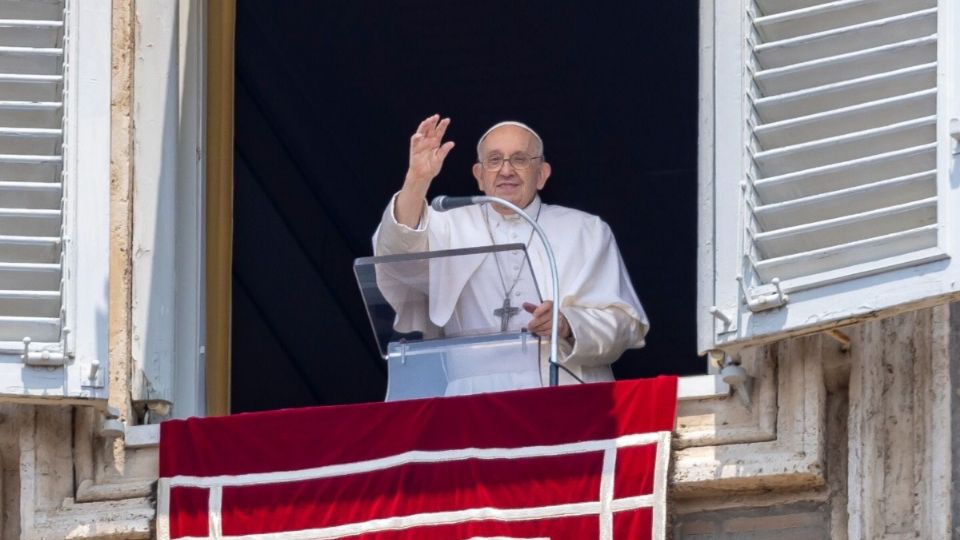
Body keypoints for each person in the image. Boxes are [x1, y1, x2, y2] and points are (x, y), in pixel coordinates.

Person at [374, 114, 648, 394]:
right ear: (479, 176)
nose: (506, 170)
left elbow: (624, 324)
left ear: (541, 174)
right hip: (471, 397)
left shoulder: (586, 231)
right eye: (494, 160)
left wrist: (568, 324)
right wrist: (417, 180)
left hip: (563, 389)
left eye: (519, 159)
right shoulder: (446, 224)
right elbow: (397, 257)